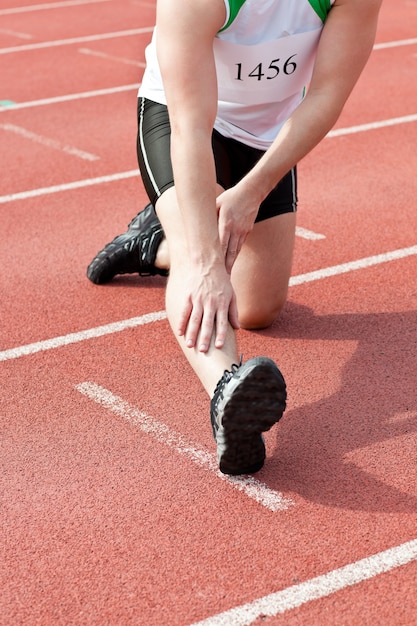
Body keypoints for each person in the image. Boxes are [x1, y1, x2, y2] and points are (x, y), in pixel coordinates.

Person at [87, 0, 382, 476]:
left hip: (267, 137)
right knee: (196, 253)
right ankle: (225, 390)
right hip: (184, 123)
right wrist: (204, 261)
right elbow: (190, 126)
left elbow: (327, 94)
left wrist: (252, 192)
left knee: (258, 309)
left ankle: (150, 242)